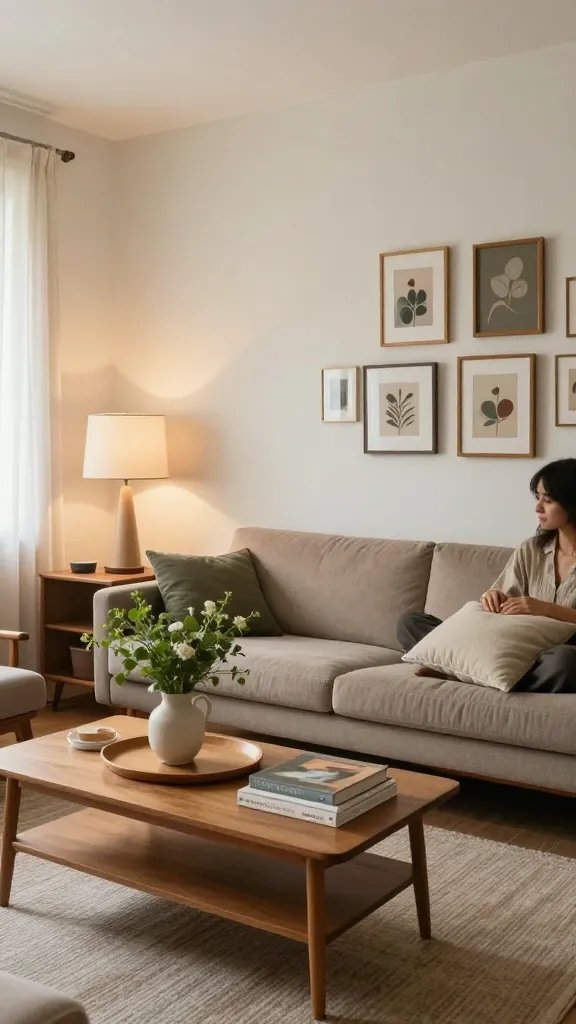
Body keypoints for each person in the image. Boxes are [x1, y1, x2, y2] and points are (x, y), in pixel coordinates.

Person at [396, 458, 576, 693]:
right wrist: (493, 597)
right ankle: (485, 674)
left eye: (548, 500)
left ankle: (465, 674)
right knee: (410, 623)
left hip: (556, 651)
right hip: (514, 643)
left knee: (565, 662)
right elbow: (504, 602)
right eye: (537, 497)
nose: (538, 507)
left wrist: (547, 609)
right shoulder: (531, 549)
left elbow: (538, 611)